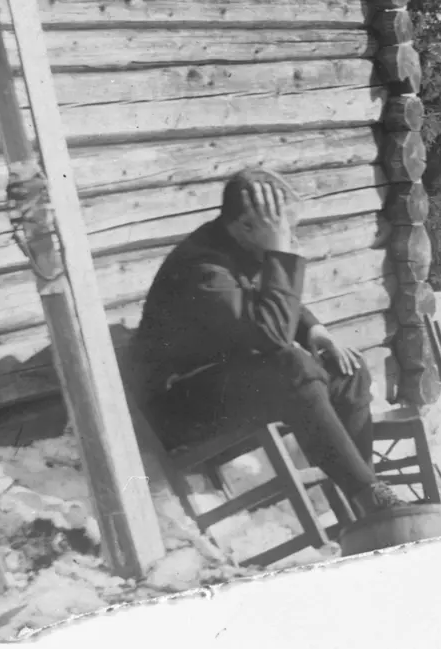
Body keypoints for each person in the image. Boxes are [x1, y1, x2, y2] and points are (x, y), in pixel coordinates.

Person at [129, 168, 405, 517]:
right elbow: (271, 333)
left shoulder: (234, 246)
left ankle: (365, 494)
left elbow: (265, 298)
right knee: (292, 367)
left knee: (347, 369)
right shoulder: (202, 268)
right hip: (178, 406)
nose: (290, 238)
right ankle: (370, 497)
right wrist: (281, 255)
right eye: (284, 229)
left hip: (220, 382)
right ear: (246, 226)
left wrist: (315, 332)